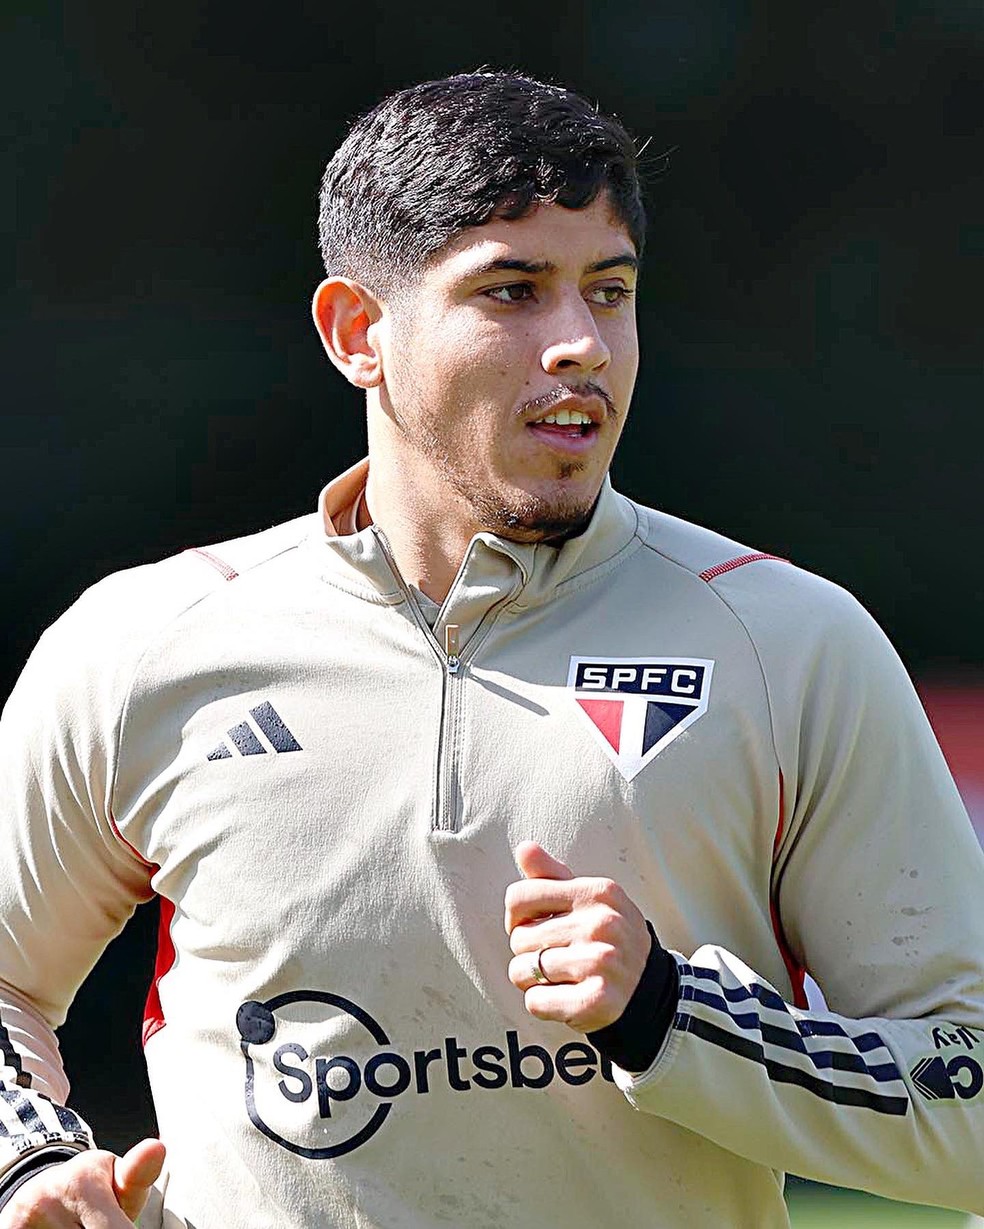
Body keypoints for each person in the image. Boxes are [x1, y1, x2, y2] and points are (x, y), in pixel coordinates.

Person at [0, 71, 982, 1229]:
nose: (579, 345)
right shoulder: (143, 643)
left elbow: (965, 1110)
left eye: (607, 292)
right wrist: (29, 1164)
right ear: (357, 332)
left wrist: (673, 1016)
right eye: (512, 290)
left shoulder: (789, 642)